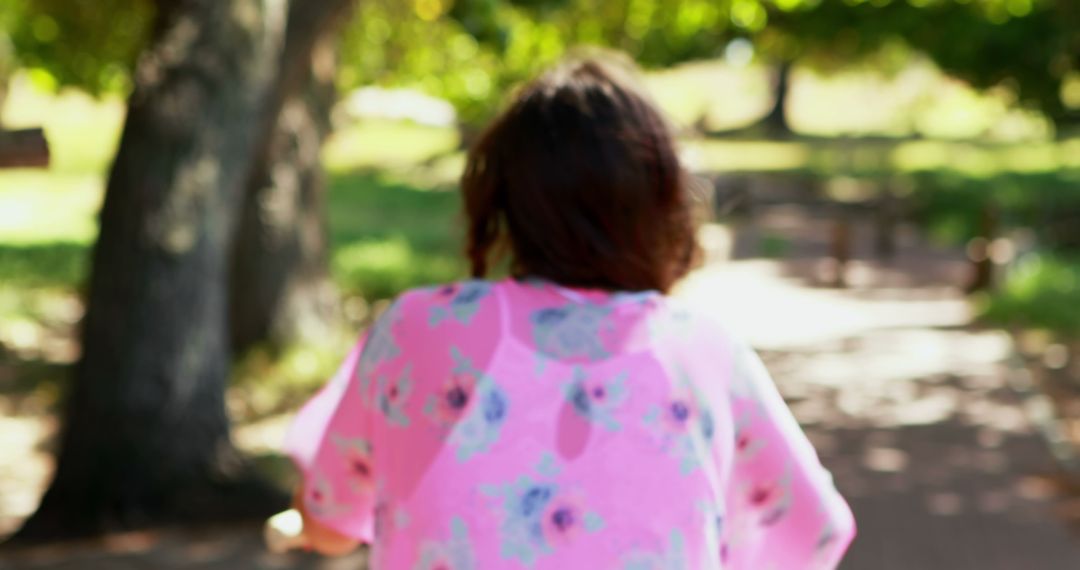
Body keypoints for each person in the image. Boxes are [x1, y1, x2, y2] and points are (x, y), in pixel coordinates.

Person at [281, 56, 855, 569]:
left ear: (503, 198)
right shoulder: (703, 349)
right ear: (663, 204)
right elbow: (815, 531)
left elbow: (329, 520)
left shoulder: (420, 329)